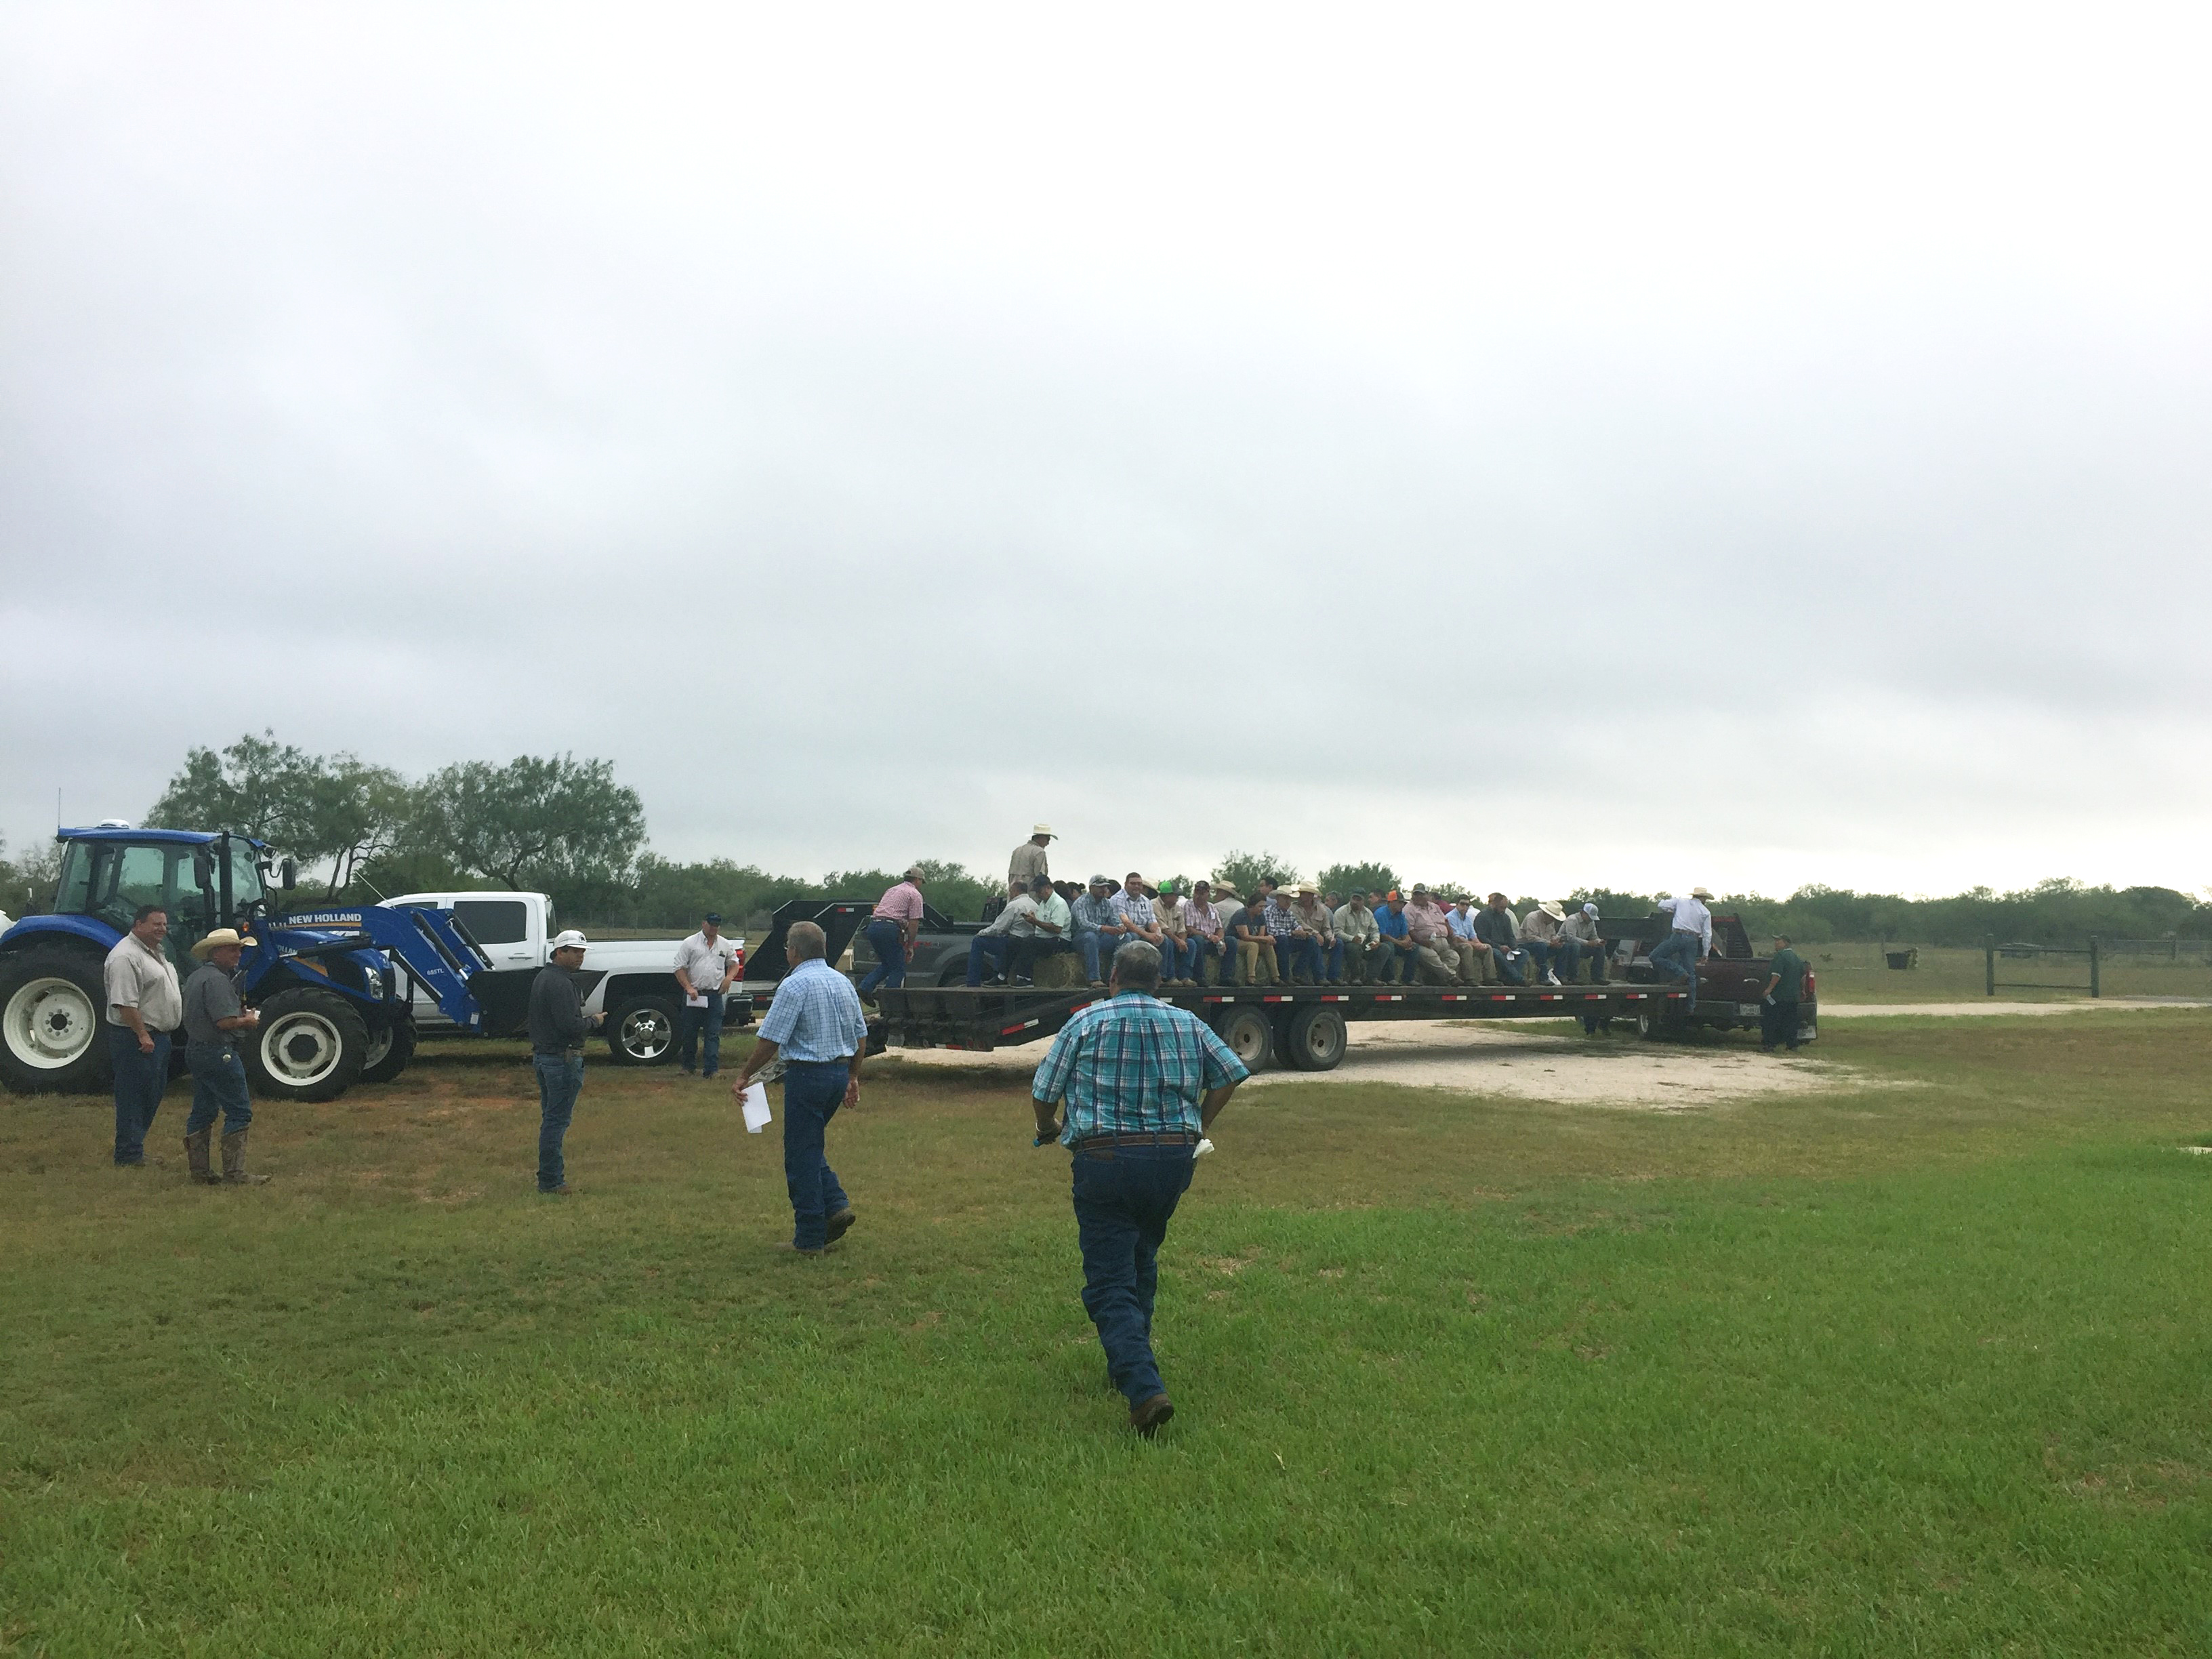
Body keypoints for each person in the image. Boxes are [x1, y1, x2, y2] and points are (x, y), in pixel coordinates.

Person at [1031, 939, 1248, 1437]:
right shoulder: (1187, 1023)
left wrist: (1049, 1127)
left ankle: (1143, 1388)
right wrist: (1199, 1125)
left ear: (1112, 978)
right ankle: (1130, 1357)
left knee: (1108, 1278)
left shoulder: (1086, 1021)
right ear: (1158, 982)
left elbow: (1044, 1092)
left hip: (1104, 1159)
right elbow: (1232, 1073)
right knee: (1142, 1254)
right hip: (1172, 1158)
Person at [736, 920, 869, 1255]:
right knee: (808, 1146)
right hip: (837, 1075)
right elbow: (861, 1036)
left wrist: (744, 1076)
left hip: (807, 1077)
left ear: (794, 951)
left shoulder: (794, 986)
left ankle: (810, 1238)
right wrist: (853, 1077)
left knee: (800, 1157)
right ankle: (836, 1204)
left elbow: (771, 1039)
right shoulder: (842, 983)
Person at [179, 927, 264, 1185]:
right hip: (219, 1052)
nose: (238, 953)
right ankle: (235, 1174)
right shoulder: (217, 980)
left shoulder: (197, 977)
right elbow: (225, 1022)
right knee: (239, 1110)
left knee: (203, 1110)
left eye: (238, 948)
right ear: (216, 953)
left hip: (197, 1049)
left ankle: (201, 1172)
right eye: (232, 949)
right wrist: (247, 1021)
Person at [104, 903, 181, 1168]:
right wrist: (142, 1035)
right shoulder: (125, 956)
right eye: (155, 924)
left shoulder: (155, 953)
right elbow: (124, 1003)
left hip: (159, 1036)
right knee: (134, 1096)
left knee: (151, 1095)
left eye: (164, 924)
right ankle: (127, 1155)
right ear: (138, 925)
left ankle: (135, 1150)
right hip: (136, 1038)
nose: (162, 929)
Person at [529, 930, 602, 1195]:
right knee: (556, 1121)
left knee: (551, 1118)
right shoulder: (560, 983)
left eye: (582, 951)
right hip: (561, 1059)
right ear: (559, 952)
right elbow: (569, 1026)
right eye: (574, 951)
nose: (580, 956)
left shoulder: (544, 977)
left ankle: (548, 1177)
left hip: (545, 1057)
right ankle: (551, 1181)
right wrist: (595, 1021)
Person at [674, 911, 743, 1074]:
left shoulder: (725, 944)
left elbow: (734, 964)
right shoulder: (690, 943)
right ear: (704, 923)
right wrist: (689, 988)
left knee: (713, 1033)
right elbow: (679, 968)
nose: (714, 928)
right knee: (689, 1032)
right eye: (711, 924)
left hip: (715, 995)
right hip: (695, 995)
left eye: (717, 925)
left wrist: (729, 978)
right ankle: (688, 1067)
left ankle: (711, 1070)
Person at [857, 871, 926, 1004]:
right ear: (917, 879)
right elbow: (914, 922)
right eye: (921, 881)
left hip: (873, 927)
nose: (921, 885)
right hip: (889, 929)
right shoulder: (915, 895)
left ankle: (865, 987)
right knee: (898, 968)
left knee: (888, 964)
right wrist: (911, 945)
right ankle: (890, 1001)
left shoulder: (892, 890)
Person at [966, 881, 1044, 985]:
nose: (1010, 895)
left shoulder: (1014, 905)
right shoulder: (1035, 905)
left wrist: (981, 933)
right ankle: (1000, 976)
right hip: (1029, 944)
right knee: (1003, 939)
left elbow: (998, 928)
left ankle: (973, 982)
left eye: (1010, 892)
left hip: (1014, 943)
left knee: (978, 941)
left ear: (1016, 891)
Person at [1650, 887, 1715, 1010]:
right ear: (1703, 898)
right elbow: (1707, 934)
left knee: (1655, 956)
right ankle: (1691, 1006)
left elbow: (1661, 905)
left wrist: (1672, 909)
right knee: (1691, 972)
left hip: (1678, 936)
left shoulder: (1680, 902)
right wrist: (1706, 953)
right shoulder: (1705, 911)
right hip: (1693, 940)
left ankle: (1680, 972)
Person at [1010, 874, 1073, 983]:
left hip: (1059, 940)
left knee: (1030, 943)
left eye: (1039, 891)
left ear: (1047, 888)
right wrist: (1033, 920)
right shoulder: (1044, 904)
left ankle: (1026, 978)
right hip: (1047, 937)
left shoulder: (1059, 904)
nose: (1038, 894)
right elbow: (1042, 926)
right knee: (1016, 941)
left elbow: (1057, 929)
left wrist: (1036, 922)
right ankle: (1002, 976)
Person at [1404, 885, 1463, 984]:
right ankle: (1451, 977)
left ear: (1427, 895)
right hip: (1424, 943)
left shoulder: (1435, 906)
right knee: (1432, 958)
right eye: (1416, 894)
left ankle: (1433, 977)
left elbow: (1446, 922)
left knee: (1454, 957)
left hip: (1443, 942)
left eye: (1421, 894)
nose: (1418, 897)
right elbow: (1410, 930)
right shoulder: (1409, 909)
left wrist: (1452, 938)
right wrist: (1423, 942)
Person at [1071, 875, 1121, 987]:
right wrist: (1103, 928)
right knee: (1090, 936)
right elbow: (1083, 924)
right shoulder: (1080, 903)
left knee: (1126, 937)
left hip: (1100, 937)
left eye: (1106, 887)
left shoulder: (1107, 903)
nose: (1104, 890)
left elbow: (1115, 920)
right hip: (1080, 938)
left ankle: (1112, 976)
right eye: (1100, 887)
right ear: (1091, 887)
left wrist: (1120, 927)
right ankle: (1094, 978)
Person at [1761, 934, 1809, 1052]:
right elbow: (1803, 976)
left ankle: (1770, 1045)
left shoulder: (1780, 956)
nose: (1776, 943)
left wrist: (1769, 989)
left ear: (1786, 943)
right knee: (1790, 1021)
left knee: (1772, 1020)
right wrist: (1802, 990)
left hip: (1779, 996)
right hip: (1792, 997)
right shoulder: (1796, 958)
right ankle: (1792, 1045)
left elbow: (1777, 974)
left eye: (1778, 941)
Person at [1262, 888, 1319, 983]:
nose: (1288, 902)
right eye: (1285, 899)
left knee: (1311, 941)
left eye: (1290, 899)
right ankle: (1285, 976)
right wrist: (1292, 933)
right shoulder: (1270, 911)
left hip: (1288, 942)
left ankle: (1298, 973)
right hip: (1275, 943)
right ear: (1278, 899)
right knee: (1283, 939)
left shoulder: (1289, 913)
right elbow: (1272, 932)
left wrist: (1302, 932)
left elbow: (1296, 926)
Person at [1180, 880, 1227, 985]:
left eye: (1201, 894)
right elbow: (1189, 929)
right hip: (1198, 939)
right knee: (1197, 940)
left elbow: (1219, 927)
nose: (1198, 896)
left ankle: (1226, 976)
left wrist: (1221, 940)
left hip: (1212, 940)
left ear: (1208, 894)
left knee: (1232, 942)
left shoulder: (1212, 907)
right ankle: (1199, 976)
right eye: (1196, 893)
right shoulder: (1187, 906)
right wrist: (1209, 936)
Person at [1474, 893, 1527, 985]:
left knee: (1524, 953)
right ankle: (1519, 979)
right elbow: (1481, 937)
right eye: (1501, 908)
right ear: (1494, 904)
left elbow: (1510, 935)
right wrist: (1499, 947)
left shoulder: (1505, 917)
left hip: (1505, 947)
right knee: (1497, 953)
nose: (1503, 910)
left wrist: (1513, 946)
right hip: (1490, 947)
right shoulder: (1482, 917)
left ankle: (1509, 978)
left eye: (1505, 908)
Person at [1289, 885, 1339, 981]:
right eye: (1301, 893)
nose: (1301, 896)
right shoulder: (1293, 908)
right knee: (1313, 941)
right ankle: (1320, 976)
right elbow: (1301, 924)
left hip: (1318, 938)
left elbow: (1326, 928)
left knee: (1339, 944)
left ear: (1311, 896)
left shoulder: (1322, 909)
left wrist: (1330, 937)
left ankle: (1334, 976)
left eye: (1304, 893)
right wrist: (1316, 934)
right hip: (1299, 939)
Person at [1445, 895, 1495, 983]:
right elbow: (1457, 938)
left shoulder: (1468, 919)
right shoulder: (1450, 917)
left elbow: (1473, 935)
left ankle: (1490, 978)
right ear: (1457, 904)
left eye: (1467, 905)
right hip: (1453, 944)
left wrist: (1480, 944)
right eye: (1462, 904)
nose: (1464, 907)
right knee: (1467, 947)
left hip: (1466, 942)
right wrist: (1475, 945)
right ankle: (1469, 978)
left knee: (1488, 948)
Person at [1152, 879, 1194, 986]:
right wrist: (1178, 941)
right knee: (1167, 942)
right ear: (1167, 896)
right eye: (1175, 895)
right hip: (1159, 937)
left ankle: (1185, 976)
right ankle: (1168, 977)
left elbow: (1182, 928)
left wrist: (1183, 941)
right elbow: (1162, 928)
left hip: (1175, 937)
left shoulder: (1178, 908)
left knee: (1192, 943)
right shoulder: (1154, 905)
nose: (1177, 898)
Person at [1332, 890, 1380, 983]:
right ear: (1350, 899)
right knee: (1353, 948)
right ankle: (1356, 977)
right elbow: (1337, 932)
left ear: (1363, 901)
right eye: (1354, 899)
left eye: (1358, 900)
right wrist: (1351, 938)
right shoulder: (1341, 912)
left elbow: (1374, 930)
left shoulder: (1368, 913)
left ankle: (1372, 977)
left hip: (1364, 943)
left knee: (1384, 948)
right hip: (1348, 943)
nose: (1355, 902)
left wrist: (1376, 941)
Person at [1370, 891, 1417, 983]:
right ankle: (1389, 978)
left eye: (1403, 903)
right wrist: (1400, 943)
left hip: (1396, 942)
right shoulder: (1381, 914)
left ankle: (1408, 978)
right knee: (1389, 946)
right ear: (1391, 902)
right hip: (1382, 942)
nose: (1402, 905)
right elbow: (1382, 935)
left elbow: (1405, 933)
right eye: (1400, 903)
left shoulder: (1401, 915)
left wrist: (1408, 941)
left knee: (1414, 948)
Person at [1557, 903, 1609, 985]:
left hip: (1580, 946)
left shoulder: (1591, 923)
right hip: (1565, 946)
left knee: (1600, 948)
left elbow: (1594, 936)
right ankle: (1573, 976)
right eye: (1590, 917)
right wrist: (1588, 943)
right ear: (1583, 913)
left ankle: (1597, 977)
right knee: (1575, 946)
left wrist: (1599, 942)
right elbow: (1571, 938)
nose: (1591, 920)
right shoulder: (1572, 920)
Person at [1519, 901, 1568, 986]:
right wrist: (1549, 943)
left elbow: (1552, 934)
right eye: (1552, 917)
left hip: (1543, 945)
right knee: (1541, 946)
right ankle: (1543, 977)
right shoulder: (1533, 917)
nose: (1553, 920)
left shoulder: (1550, 921)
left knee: (1564, 947)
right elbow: (1531, 937)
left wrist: (1555, 941)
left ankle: (1559, 974)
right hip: (1525, 944)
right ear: (1546, 913)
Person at [1232, 896, 1277, 985]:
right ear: (1252, 906)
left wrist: (1269, 940)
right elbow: (1245, 937)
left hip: (1252, 941)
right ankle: (1251, 978)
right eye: (1260, 906)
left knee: (1268, 946)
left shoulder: (1261, 916)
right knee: (1253, 945)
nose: (1263, 909)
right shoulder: (1241, 915)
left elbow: (1261, 935)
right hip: (1236, 941)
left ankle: (1275, 977)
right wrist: (1264, 938)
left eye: (1264, 906)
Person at [1010, 825, 1055, 889]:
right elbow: (1040, 878)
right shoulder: (1039, 852)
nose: (1048, 843)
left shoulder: (1017, 850)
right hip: (1030, 894)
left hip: (1013, 892)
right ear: (1041, 838)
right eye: (1048, 839)